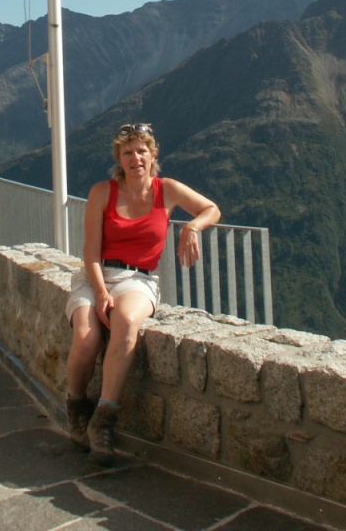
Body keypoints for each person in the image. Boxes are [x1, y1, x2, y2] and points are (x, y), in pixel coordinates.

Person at [64, 122, 221, 466]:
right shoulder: (102, 192)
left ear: (153, 155)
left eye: (141, 151)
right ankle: (76, 405)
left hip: (139, 279)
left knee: (126, 321)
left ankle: (104, 419)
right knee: (87, 339)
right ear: (119, 159)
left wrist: (192, 227)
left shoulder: (168, 190)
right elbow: (90, 251)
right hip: (96, 275)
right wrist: (101, 292)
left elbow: (212, 209)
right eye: (127, 152)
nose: (135, 158)